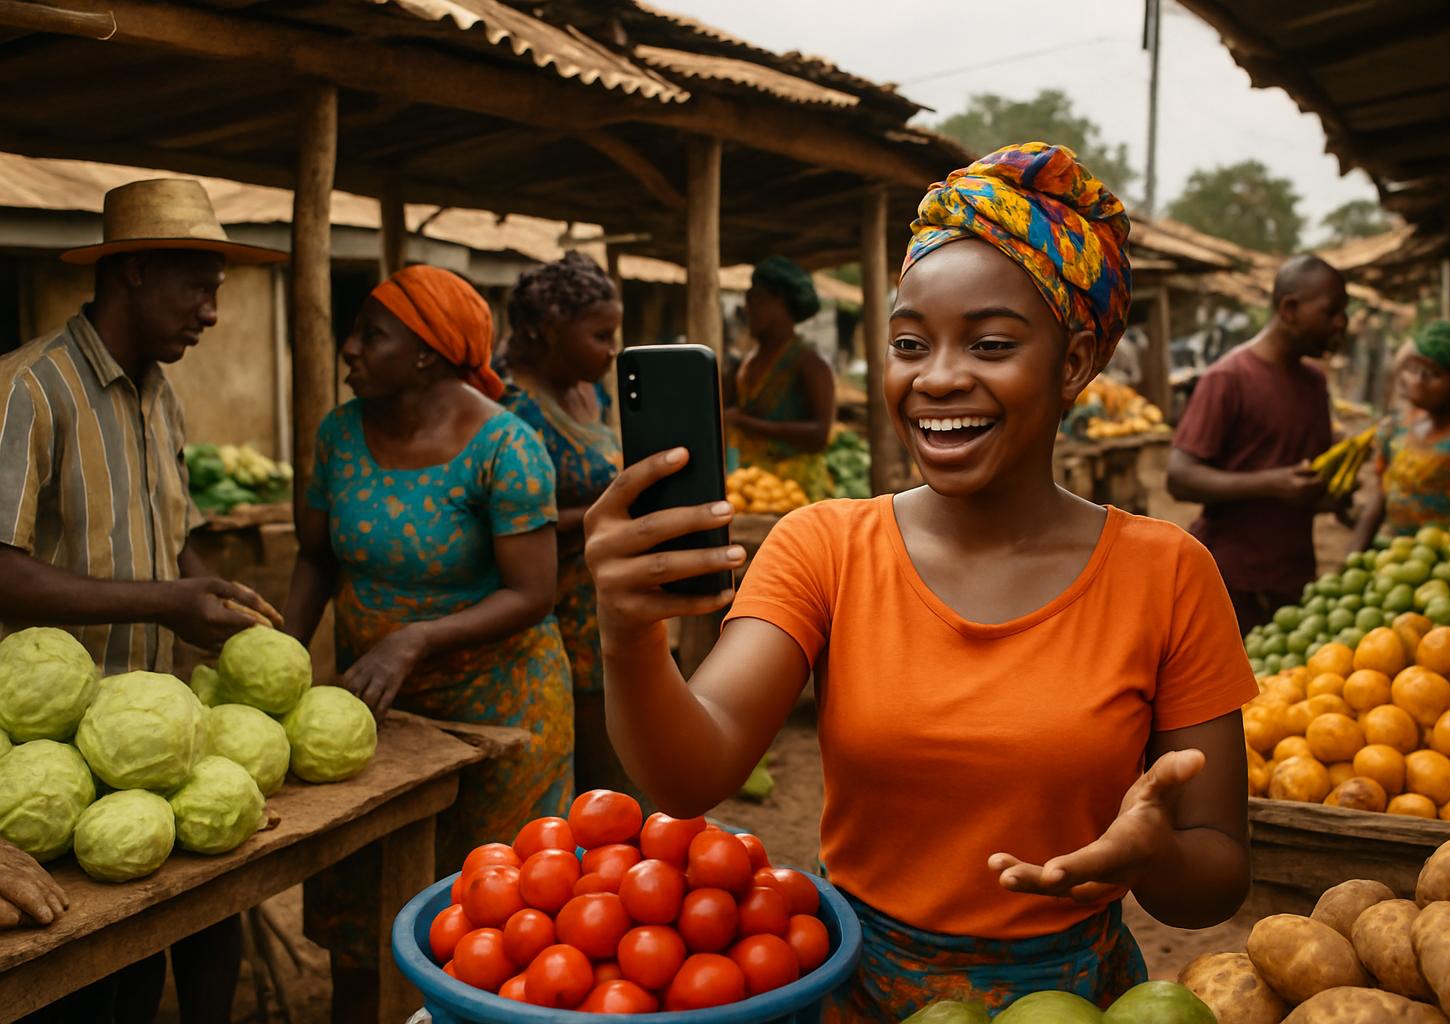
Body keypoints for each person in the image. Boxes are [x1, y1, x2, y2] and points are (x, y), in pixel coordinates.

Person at [583, 143, 1254, 1019]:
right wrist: (628, 632)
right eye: (908, 343)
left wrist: (1150, 855)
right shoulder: (823, 546)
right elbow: (689, 772)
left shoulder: (1167, 573)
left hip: (1071, 1004)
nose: (936, 378)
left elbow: (1216, 873)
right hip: (846, 983)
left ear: (1077, 360)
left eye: (990, 343)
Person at [0, 177, 284, 1023]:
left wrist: (209, 591)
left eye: (218, 291)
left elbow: (173, 539)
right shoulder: (28, 390)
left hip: (158, 740)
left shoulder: (163, 398)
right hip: (48, 751)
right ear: (133, 271)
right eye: (197, 286)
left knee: (191, 934)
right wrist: (169, 602)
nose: (211, 312)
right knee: (90, 984)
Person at [282, 264, 570, 1023]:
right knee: (363, 911)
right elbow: (316, 555)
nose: (347, 347)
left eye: (369, 334)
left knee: (495, 923)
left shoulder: (507, 448)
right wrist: (278, 660)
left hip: (504, 713)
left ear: (427, 355)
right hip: (372, 714)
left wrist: (414, 640)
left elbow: (532, 593)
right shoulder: (340, 433)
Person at [496, 252, 642, 797]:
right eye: (600, 336)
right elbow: (515, 524)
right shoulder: (508, 409)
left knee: (620, 764)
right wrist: (617, 510)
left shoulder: (589, 391)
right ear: (552, 331)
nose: (611, 351)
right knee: (582, 777)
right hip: (549, 613)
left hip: (604, 599)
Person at [1167, 255, 1348, 634]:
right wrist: (1272, 485)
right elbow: (1180, 477)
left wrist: (1333, 493)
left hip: (1293, 580)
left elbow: (1301, 474)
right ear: (1290, 309)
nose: (1341, 324)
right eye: (1331, 312)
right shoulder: (1228, 378)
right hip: (1230, 584)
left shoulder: (1314, 383)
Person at [1351, 319, 1450, 547]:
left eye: (1432, 374)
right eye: (1413, 368)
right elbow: (1381, 495)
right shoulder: (1393, 429)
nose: (1417, 381)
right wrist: (1353, 552)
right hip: (1401, 559)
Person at [724, 256, 836, 501]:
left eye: (754, 299)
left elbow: (819, 435)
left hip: (795, 493)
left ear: (780, 302)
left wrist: (748, 424)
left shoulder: (808, 364)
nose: (747, 309)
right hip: (749, 487)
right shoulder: (745, 362)